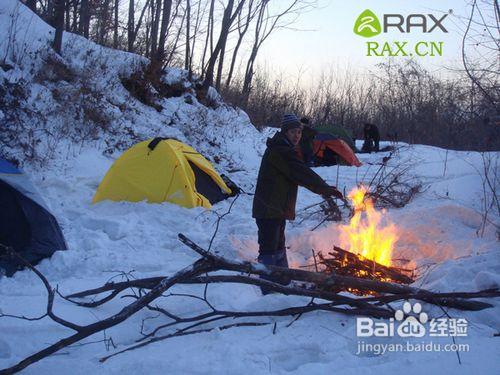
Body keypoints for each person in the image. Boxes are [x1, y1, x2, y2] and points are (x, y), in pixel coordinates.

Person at [252, 113, 343, 294]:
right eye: (293, 132)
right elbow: (301, 173)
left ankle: (283, 283)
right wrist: (325, 189)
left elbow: (300, 172)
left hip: (276, 208)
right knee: (269, 248)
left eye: (299, 133)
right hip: (268, 208)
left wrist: (324, 188)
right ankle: (267, 289)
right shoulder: (281, 151)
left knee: (278, 245)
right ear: (285, 132)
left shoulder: (283, 147)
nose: (297, 136)